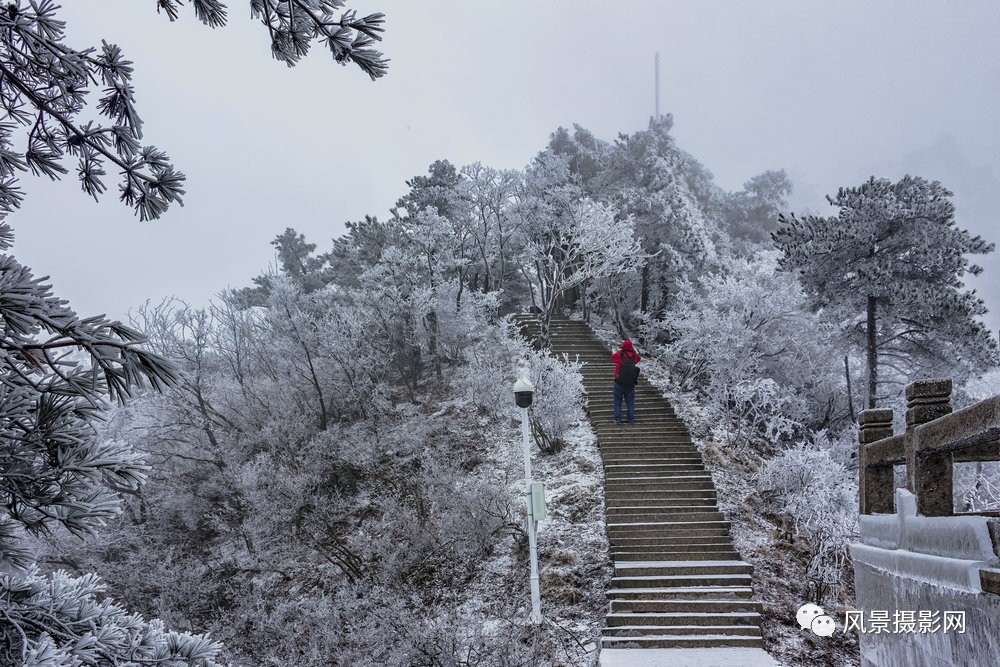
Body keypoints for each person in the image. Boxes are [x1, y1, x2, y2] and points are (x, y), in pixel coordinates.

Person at [611, 339, 641, 423]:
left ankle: (618, 419)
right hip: (630, 384)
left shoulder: (620, 355)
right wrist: (633, 352)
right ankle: (631, 418)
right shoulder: (634, 356)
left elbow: (613, 357)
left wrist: (621, 351)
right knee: (630, 402)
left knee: (617, 401)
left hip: (619, 382)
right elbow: (638, 359)